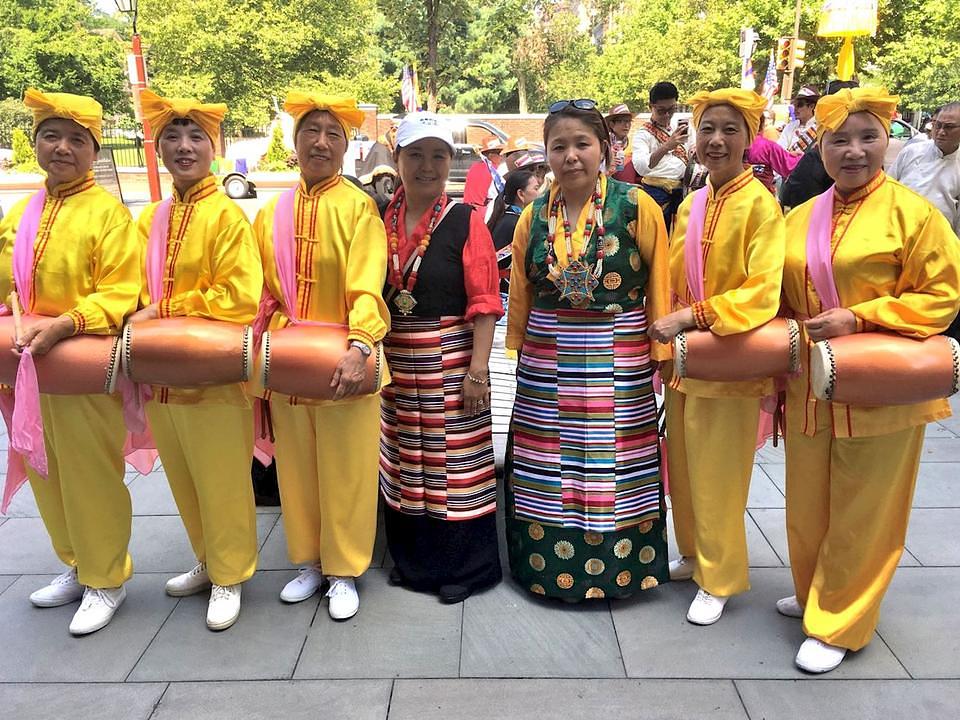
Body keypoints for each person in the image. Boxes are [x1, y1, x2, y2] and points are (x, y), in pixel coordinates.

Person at [779, 87, 960, 674]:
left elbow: (942, 297)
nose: (853, 150)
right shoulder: (800, 216)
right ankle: (814, 593)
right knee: (808, 501)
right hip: (811, 382)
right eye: (839, 140)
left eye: (867, 137)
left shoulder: (915, 214)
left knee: (867, 506)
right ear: (821, 147)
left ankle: (842, 620)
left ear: (889, 140)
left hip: (879, 386)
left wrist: (862, 316)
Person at [505, 98, 671, 601]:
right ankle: (543, 569)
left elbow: (659, 281)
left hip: (618, 356)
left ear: (605, 148)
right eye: (560, 146)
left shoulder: (636, 205)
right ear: (546, 155)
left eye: (582, 144)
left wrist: (661, 356)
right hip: (547, 355)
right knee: (546, 464)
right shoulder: (532, 216)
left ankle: (619, 572)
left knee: (615, 464)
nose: (571, 156)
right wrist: (516, 352)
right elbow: (521, 290)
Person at [0, 89, 140, 635]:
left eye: (76, 140)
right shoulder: (21, 213)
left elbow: (120, 292)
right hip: (25, 371)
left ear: (93, 151)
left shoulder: (107, 214)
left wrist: (63, 324)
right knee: (45, 471)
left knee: (90, 474)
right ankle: (79, 565)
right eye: (51, 136)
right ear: (35, 143)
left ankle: (108, 578)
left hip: (80, 363)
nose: (62, 149)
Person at [648, 89, 785, 626]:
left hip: (730, 357)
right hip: (687, 362)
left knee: (720, 474)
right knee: (682, 467)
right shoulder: (693, 200)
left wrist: (692, 317)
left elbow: (762, 292)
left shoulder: (760, 205)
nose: (717, 139)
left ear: (750, 139)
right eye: (707, 129)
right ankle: (696, 553)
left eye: (730, 129)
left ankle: (721, 575)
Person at [252, 92, 390, 620]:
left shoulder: (358, 207)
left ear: (346, 146)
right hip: (288, 358)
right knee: (298, 468)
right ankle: (308, 561)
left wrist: (361, 344)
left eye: (334, 133)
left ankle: (344, 569)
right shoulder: (271, 212)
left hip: (344, 359)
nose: (321, 141)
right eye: (312, 130)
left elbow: (367, 284)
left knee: (347, 468)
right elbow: (261, 291)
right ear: (295, 140)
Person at [129, 90, 263, 631]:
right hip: (160, 374)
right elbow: (129, 289)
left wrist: (163, 309)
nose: (184, 148)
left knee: (222, 478)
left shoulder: (226, 217)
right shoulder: (151, 218)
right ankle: (208, 561)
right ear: (158, 148)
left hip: (212, 375)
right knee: (183, 475)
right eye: (172, 138)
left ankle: (231, 574)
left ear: (215, 148)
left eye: (195, 138)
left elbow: (239, 298)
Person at [378, 113, 504, 603]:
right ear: (397, 159)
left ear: (451, 161)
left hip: (453, 361)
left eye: (438, 155)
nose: (426, 166)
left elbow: (485, 302)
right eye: (415, 155)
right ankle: (413, 564)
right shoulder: (380, 218)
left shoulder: (465, 220)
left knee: (458, 464)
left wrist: (478, 372)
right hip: (397, 362)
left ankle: (465, 569)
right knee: (408, 463)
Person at [889, 101, 960, 233]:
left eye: (949, 127)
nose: (941, 132)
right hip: (899, 230)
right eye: (937, 125)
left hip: (938, 238)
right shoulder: (912, 152)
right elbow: (888, 188)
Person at [632, 82, 693, 232]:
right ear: (650, 106)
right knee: (657, 233)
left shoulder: (679, 128)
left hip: (682, 188)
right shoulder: (643, 134)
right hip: (656, 190)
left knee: (682, 233)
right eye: (661, 111)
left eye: (671, 110)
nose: (667, 115)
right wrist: (667, 146)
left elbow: (692, 149)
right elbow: (641, 167)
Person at [488, 169, 540, 300]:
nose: (540, 194)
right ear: (521, 194)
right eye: (536, 189)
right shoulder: (515, 223)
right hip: (506, 295)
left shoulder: (509, 218)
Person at [747, 113, 801, 194]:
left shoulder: (731, 144)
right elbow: (789, 166)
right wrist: (801, 156)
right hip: (762, 195)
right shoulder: (767, 146)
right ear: (761, 125)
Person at [463, 137, 505, 223]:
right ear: (490, 155)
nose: (501, 156)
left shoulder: (474, 167)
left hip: (468, 211)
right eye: (499, 153)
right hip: (483, 213)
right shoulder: (495, 171)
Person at [778, 85, 820, 154]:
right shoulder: (790, 127)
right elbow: (779, 149)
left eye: (800, 105)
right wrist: (790, 155)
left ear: (811, 106)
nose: (795, 108)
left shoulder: (819, 127)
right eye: (794, 104)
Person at [605, 104, 634, 179]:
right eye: (621, 121)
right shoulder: (603, 145)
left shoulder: (633, 144)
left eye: (629, 121)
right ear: (611, 124)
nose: (627, 125)